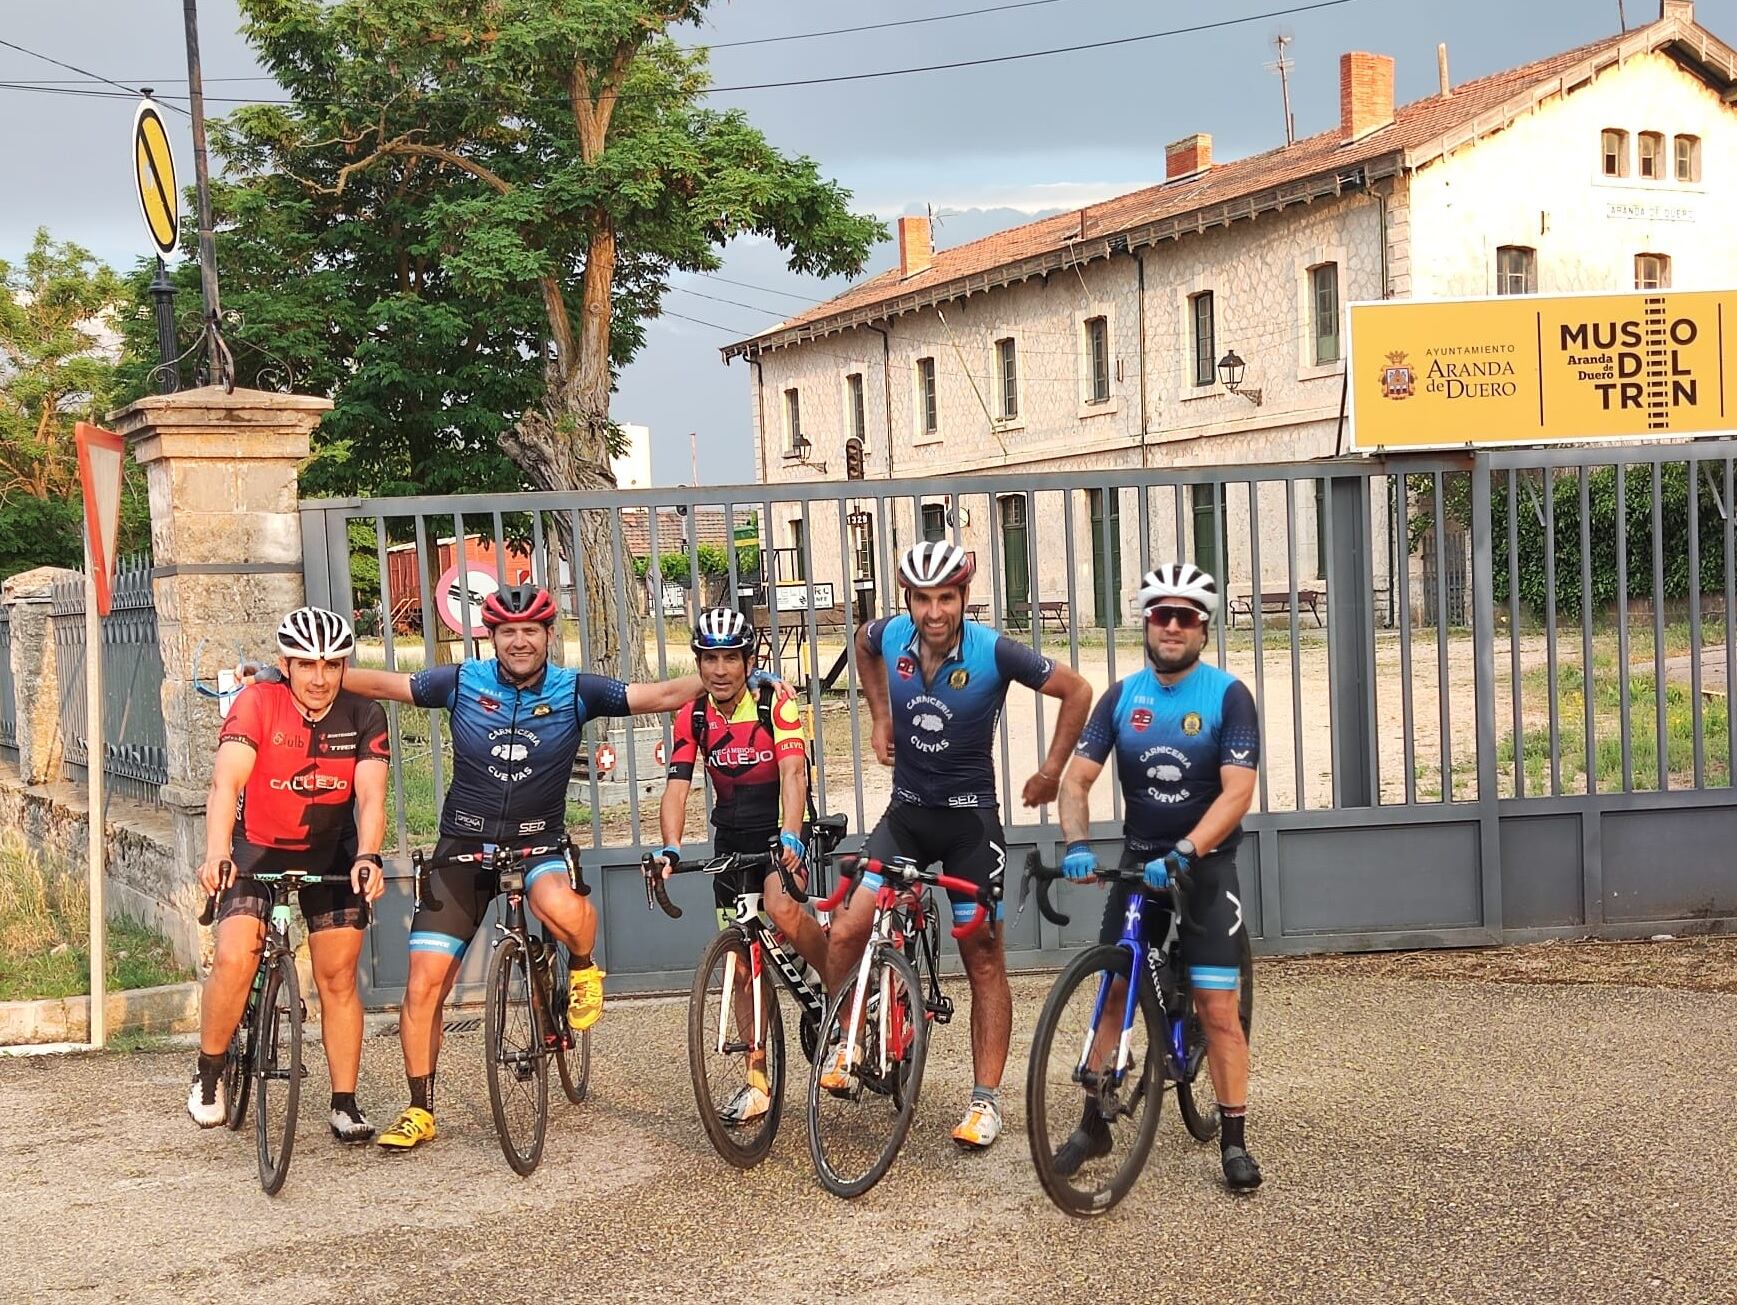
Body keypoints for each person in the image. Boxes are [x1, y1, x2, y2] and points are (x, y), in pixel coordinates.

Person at [289, 582, 720, 1152]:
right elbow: (380, 683)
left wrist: (729, 676)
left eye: (531, 631)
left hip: (538, 844)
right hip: (463, 849)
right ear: (491, 637)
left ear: (548, 636)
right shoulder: (461, 681)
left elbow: (663, 694)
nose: (519, 641)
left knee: (558, 905)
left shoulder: (576, 691)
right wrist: (293, 676)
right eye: (508, 632)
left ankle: (584, 967)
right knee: (425, 982)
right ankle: (420, 1108)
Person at [827, 540, 1092, 1150]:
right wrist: (878, 717)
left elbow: (1077, 692)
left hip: (971, 825)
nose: (934, 610)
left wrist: (1053, 770)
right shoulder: (889, 635)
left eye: (946, 597)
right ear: (908, 600)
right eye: (923, 598)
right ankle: (846, 1044)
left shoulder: (995, 651)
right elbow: (862, 647)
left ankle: (985, 1102)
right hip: (906, 817)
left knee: (982, 956)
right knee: (846, 930)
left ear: (963, 598)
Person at [1055, 562, 1263, 1191]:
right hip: (1140, 860)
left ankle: (1233, 1137)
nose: (1172, 627)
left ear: (1204, 627)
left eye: (1186, 617)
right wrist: (1077, 842)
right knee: (1114, 988)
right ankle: (1094, 1122)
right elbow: (1077, 780)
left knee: (1216, 1005)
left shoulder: (1228, 696)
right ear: (1145, 621)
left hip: (1205, 865)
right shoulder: (1122, 698)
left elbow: (1237, 792)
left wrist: (1189, 848)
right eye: (1161, 615)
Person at [188, 606, 389, 1144]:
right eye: (306, 665)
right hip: (257, 847)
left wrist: (368, 854)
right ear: (285, 665)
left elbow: (371, 797)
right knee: (235, 954)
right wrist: (216, 853)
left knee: (338, 975)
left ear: (344, 665)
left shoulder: (364, 714)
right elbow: (225, 784)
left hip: (333, 850)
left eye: (331, 664)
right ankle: (209, 1073)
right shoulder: (258, 702)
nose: (319, 677)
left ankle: (344, 1102)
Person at [650, 607, 829, 1125]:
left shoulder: (775, 702)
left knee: (782, 908)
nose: (721, 669)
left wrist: (791, 835)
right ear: (700, 662)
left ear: (749, 660)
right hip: (730, 840)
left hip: (780, 831)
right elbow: (677, 787)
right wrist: (670, 847)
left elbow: (793, 772)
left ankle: (836, 989)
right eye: (711, 658)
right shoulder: (694, 715)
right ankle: (756, 1079)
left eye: (732, 657)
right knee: (737, 961)